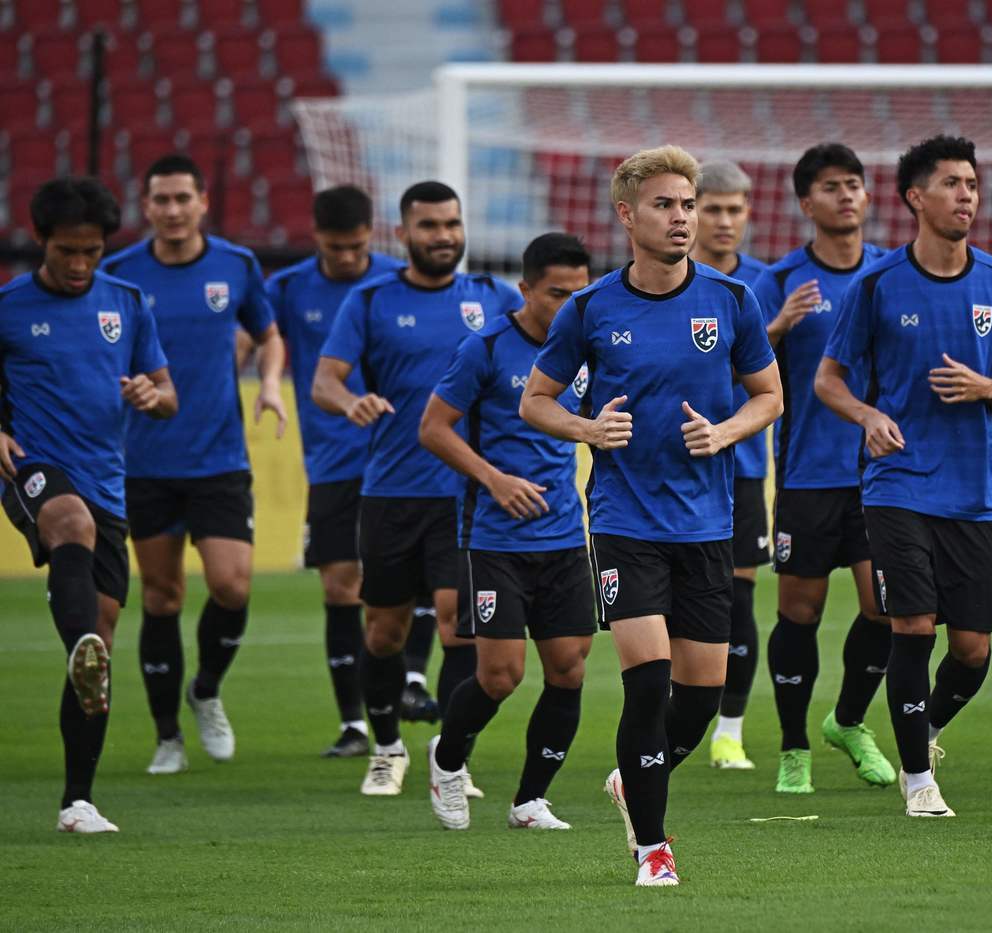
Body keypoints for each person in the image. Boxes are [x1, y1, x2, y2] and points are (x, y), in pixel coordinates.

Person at [521, 145, 781, 885]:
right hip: (624, 523)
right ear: (628, 215)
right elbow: (535, 401)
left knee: (699, 698)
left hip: (707, 523)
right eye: (665, 204)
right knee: (647, 681)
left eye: (688, 204)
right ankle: (653, 849)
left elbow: (770, 395)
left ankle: (632, 778)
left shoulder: (732, 300)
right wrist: (588, 428)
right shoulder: (590, 308)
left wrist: (725, 432)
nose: (682, 217)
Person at [816, 136, 992, 818]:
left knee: (972, 651)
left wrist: (988, 388)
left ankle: (924, 726)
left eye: (971, 183)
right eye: (951, 183)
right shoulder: (878, 284)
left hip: (972, 492)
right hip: (898, 483)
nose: (966, 195)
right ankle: (918, 782)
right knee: (912, 625)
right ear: (916, 197)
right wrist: (867, 416)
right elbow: (828, 380)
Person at [314, 180, 522, 796]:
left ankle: (450, 759)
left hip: (468, 495)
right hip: (392, 491)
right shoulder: (371, 300)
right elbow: (325, 381)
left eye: (452, 224)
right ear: (403, 233)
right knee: (385, 630)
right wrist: (350, 402)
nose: (443, 236)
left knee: (460, 627)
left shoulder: (494, 297)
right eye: (429, 226)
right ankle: (386, 749)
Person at [102, 154, 287, 775]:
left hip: (219, 457)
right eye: (162, 199)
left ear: (203, 202)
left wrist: (269, 382)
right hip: (145, 461)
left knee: (232, 585)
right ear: (146, 206)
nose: (173, 210)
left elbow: (268, 333)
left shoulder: (236, 265)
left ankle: (205, 689)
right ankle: (167, 737)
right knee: (161, 596)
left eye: (183, 198)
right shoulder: (119, 276)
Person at [1, 177, 176, 831]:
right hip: (33, 467)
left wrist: (151, 395)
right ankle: (79, 640)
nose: (79, 264)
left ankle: (77, 801)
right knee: (68, 522)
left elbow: (167, 392)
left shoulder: (126, 303)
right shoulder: (8, 306)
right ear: (40, 240)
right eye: (66, 251)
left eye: (91, 252)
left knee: (99, 648)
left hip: (107, 482)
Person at [421, 232, 595, 832]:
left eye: (579, 294)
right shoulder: (487, 347)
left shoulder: (587, 348)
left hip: (565, 535)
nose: (569, 306)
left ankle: (529, 801)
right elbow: (434, 428)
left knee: (569, 669)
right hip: (496, 538)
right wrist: (494, 479)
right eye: (557, 294)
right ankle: (447, 759)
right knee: (501, 675)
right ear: (524, 289)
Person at [753, 143, 894, 794]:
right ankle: (793, 748)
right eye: (831, 187)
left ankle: (848, 720)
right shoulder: (780, 281)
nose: (846, 196)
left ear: (868, 195)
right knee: (799, 613)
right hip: (808, 475)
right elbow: (735, 368)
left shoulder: (892, 273)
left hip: (880, 475)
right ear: (806, 203)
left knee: (885, 608)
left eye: (854, 184)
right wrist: (779, 326)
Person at [265, 185, 403, 757]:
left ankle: (411, 687)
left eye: (357, 246)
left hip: (401, 459)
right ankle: (353, 724)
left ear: (372, 236)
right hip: (331, 461)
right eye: (336, 246)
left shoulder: (398, 280)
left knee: (409, 582)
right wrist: (265, 379)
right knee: (339, 585)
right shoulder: (288, 288)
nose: (347, 257)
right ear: (316, 237)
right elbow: (260, 338)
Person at [690, 159, 770, 770]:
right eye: (711, 208)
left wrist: (780, 329)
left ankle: (730, 731)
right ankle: (677, 714)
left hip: (741, 469)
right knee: (672, 601)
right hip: (671, 469)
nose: (723, 221)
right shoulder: (662, 279)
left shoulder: (764, 284)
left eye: (733, 209)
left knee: (738, 598)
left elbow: (773, 382)